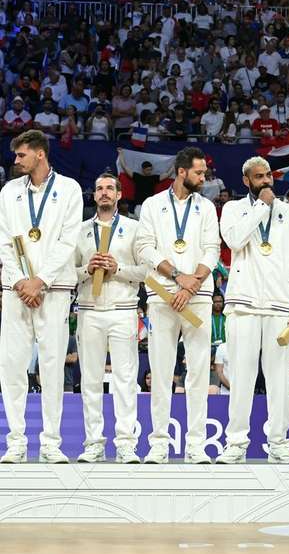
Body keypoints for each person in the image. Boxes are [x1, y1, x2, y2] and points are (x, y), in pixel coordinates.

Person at [217, 156, 289, 464]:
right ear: (247, 181)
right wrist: (261, 207)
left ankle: (279, 443)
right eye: (259, 177)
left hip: (281, 306)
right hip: (242, 304)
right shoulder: (233, 209)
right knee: (241, 376)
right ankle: (235, 443)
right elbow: (233, 240)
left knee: (281, 380)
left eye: (268, 175)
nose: (266, 181)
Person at [0, 130, 83, 464]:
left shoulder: (69, 189)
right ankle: (16, 441)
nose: (16, 161)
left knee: (51, 366)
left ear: (39, 154)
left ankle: (51, 442)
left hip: (55, 290)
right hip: (16, 290)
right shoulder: (8, 191)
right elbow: (5, 240)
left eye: (21, 155)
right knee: (12, 366)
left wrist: (41, 280)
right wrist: (22, 281)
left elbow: (68, 241)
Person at [135, 147, 220, 464]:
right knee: (160, 370)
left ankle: (196, 445)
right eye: (199, 172)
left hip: (197, 296)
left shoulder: (207, 208)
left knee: (198, 371)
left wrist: (192, 282)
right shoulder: (153, 205)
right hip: (162, 294)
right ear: (182, 171)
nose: (203, 177)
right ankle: (159, 443)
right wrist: (178, 277)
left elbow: (212, 250)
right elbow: (144, 248)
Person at [73, 173, 146, 464]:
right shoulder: (79, 231)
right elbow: (67, 273)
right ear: (94, 196)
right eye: (99, 189)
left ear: (118, 195)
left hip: (123, 309)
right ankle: (94, 443)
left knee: (125, 379)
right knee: (90, 379)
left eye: (109, 189)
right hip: (89, 309)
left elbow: (147, 272)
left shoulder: (135, 229)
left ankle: (126, 444)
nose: (104, 193)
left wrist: (120, 268)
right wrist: (86, 270)